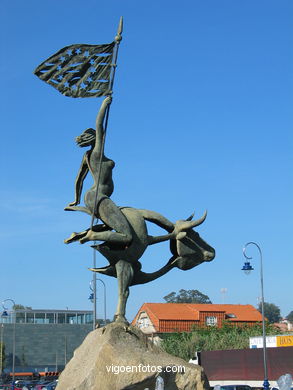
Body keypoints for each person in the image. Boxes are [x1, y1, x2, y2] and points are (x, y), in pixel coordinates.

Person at [64, 96, 132, 246]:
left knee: (112, 225)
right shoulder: (95, 153)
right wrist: (104, 105)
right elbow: (99, 124)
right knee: (127, 236)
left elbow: (79, 180)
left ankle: (79, 234)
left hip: (92, 196)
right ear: (95, 138)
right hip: (98, 196)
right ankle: (92, 235)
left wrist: (76, 199)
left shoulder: (88, 156)